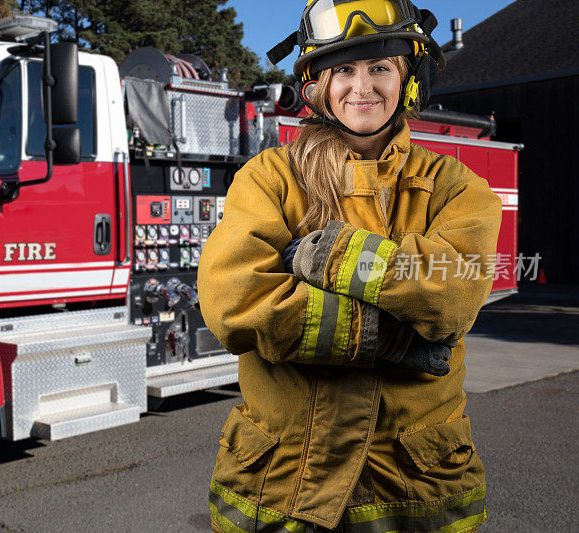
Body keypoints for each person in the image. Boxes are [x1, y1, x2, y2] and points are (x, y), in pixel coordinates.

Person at [197, 1, 502, 531]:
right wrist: (397, 338)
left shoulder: (458, 188)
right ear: (317, 86)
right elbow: (236, 301)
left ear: (408, 80)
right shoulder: (268, 178)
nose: (362, 87)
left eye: (380, 67)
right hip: (282, 488)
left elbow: (453, 295)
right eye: (343, 70)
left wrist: (330, 255)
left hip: (415, 489)